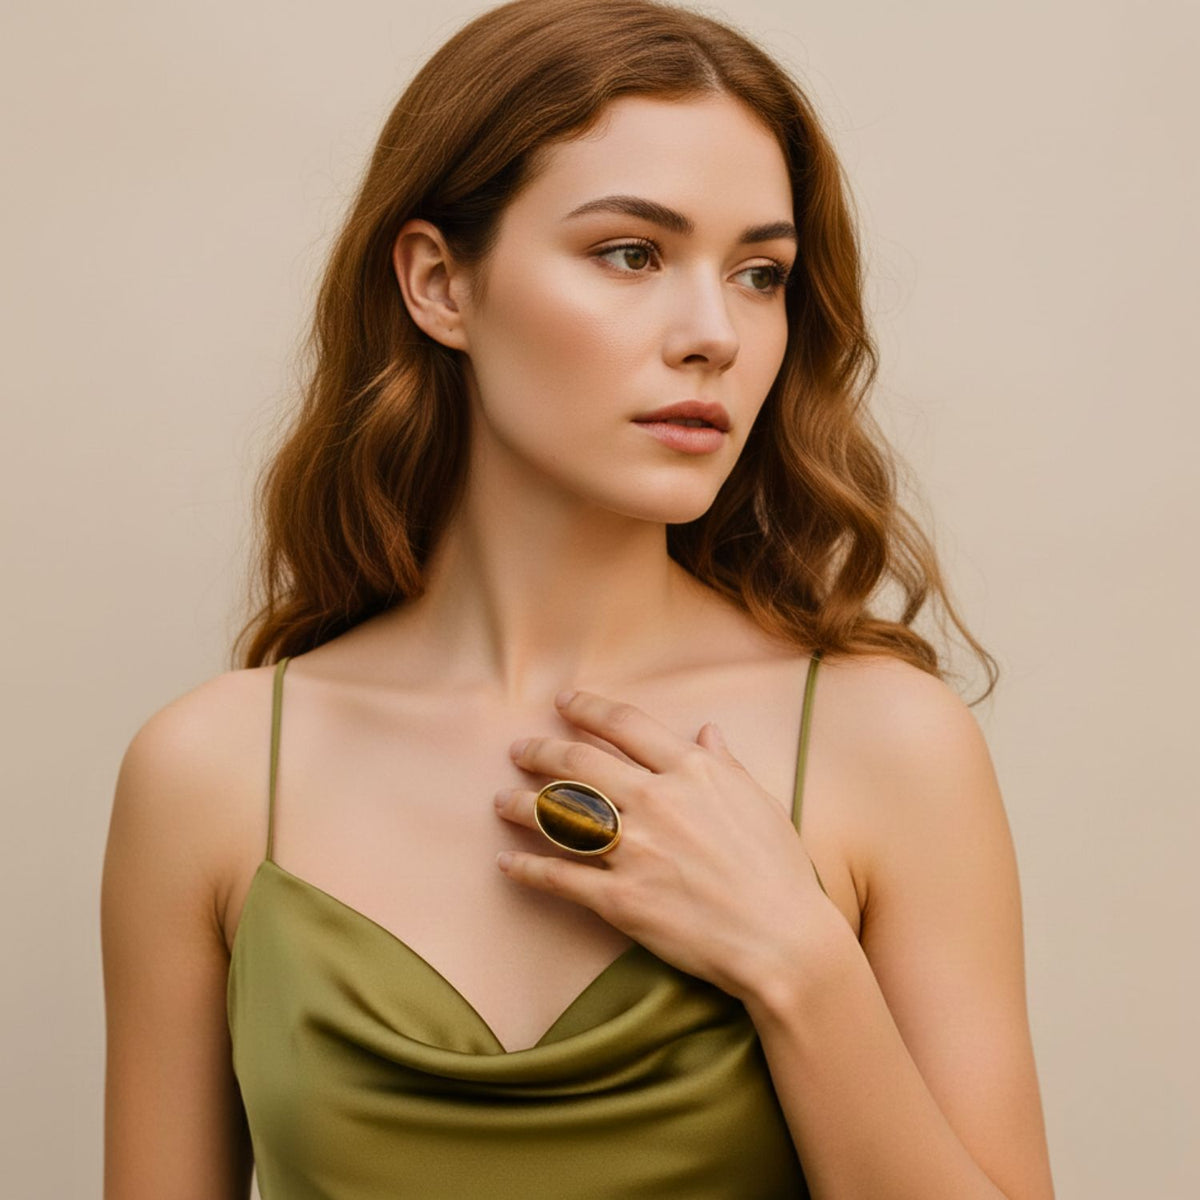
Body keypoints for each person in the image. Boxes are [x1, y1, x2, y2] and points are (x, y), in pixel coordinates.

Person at [101, 0, 1056, 1196]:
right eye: (632, 254)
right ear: (439, 284)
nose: (715, 333)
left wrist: (799, 961)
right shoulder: (210, 772)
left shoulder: (890, 747)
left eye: (761, 274)